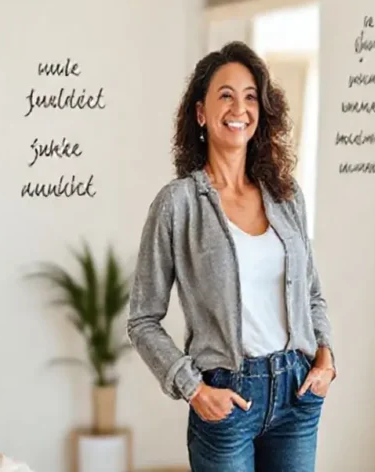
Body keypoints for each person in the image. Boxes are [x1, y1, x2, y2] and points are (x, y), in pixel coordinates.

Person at [127, 41, 336, 472]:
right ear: (201, 113)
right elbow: (143, 318)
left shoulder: (286, 195)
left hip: (297, 392)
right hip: (226, 399)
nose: (239, 108)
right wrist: (193, 388)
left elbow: (311, 292)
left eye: (250, 96)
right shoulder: (177, 204)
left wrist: (326, 357)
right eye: (225, 95)